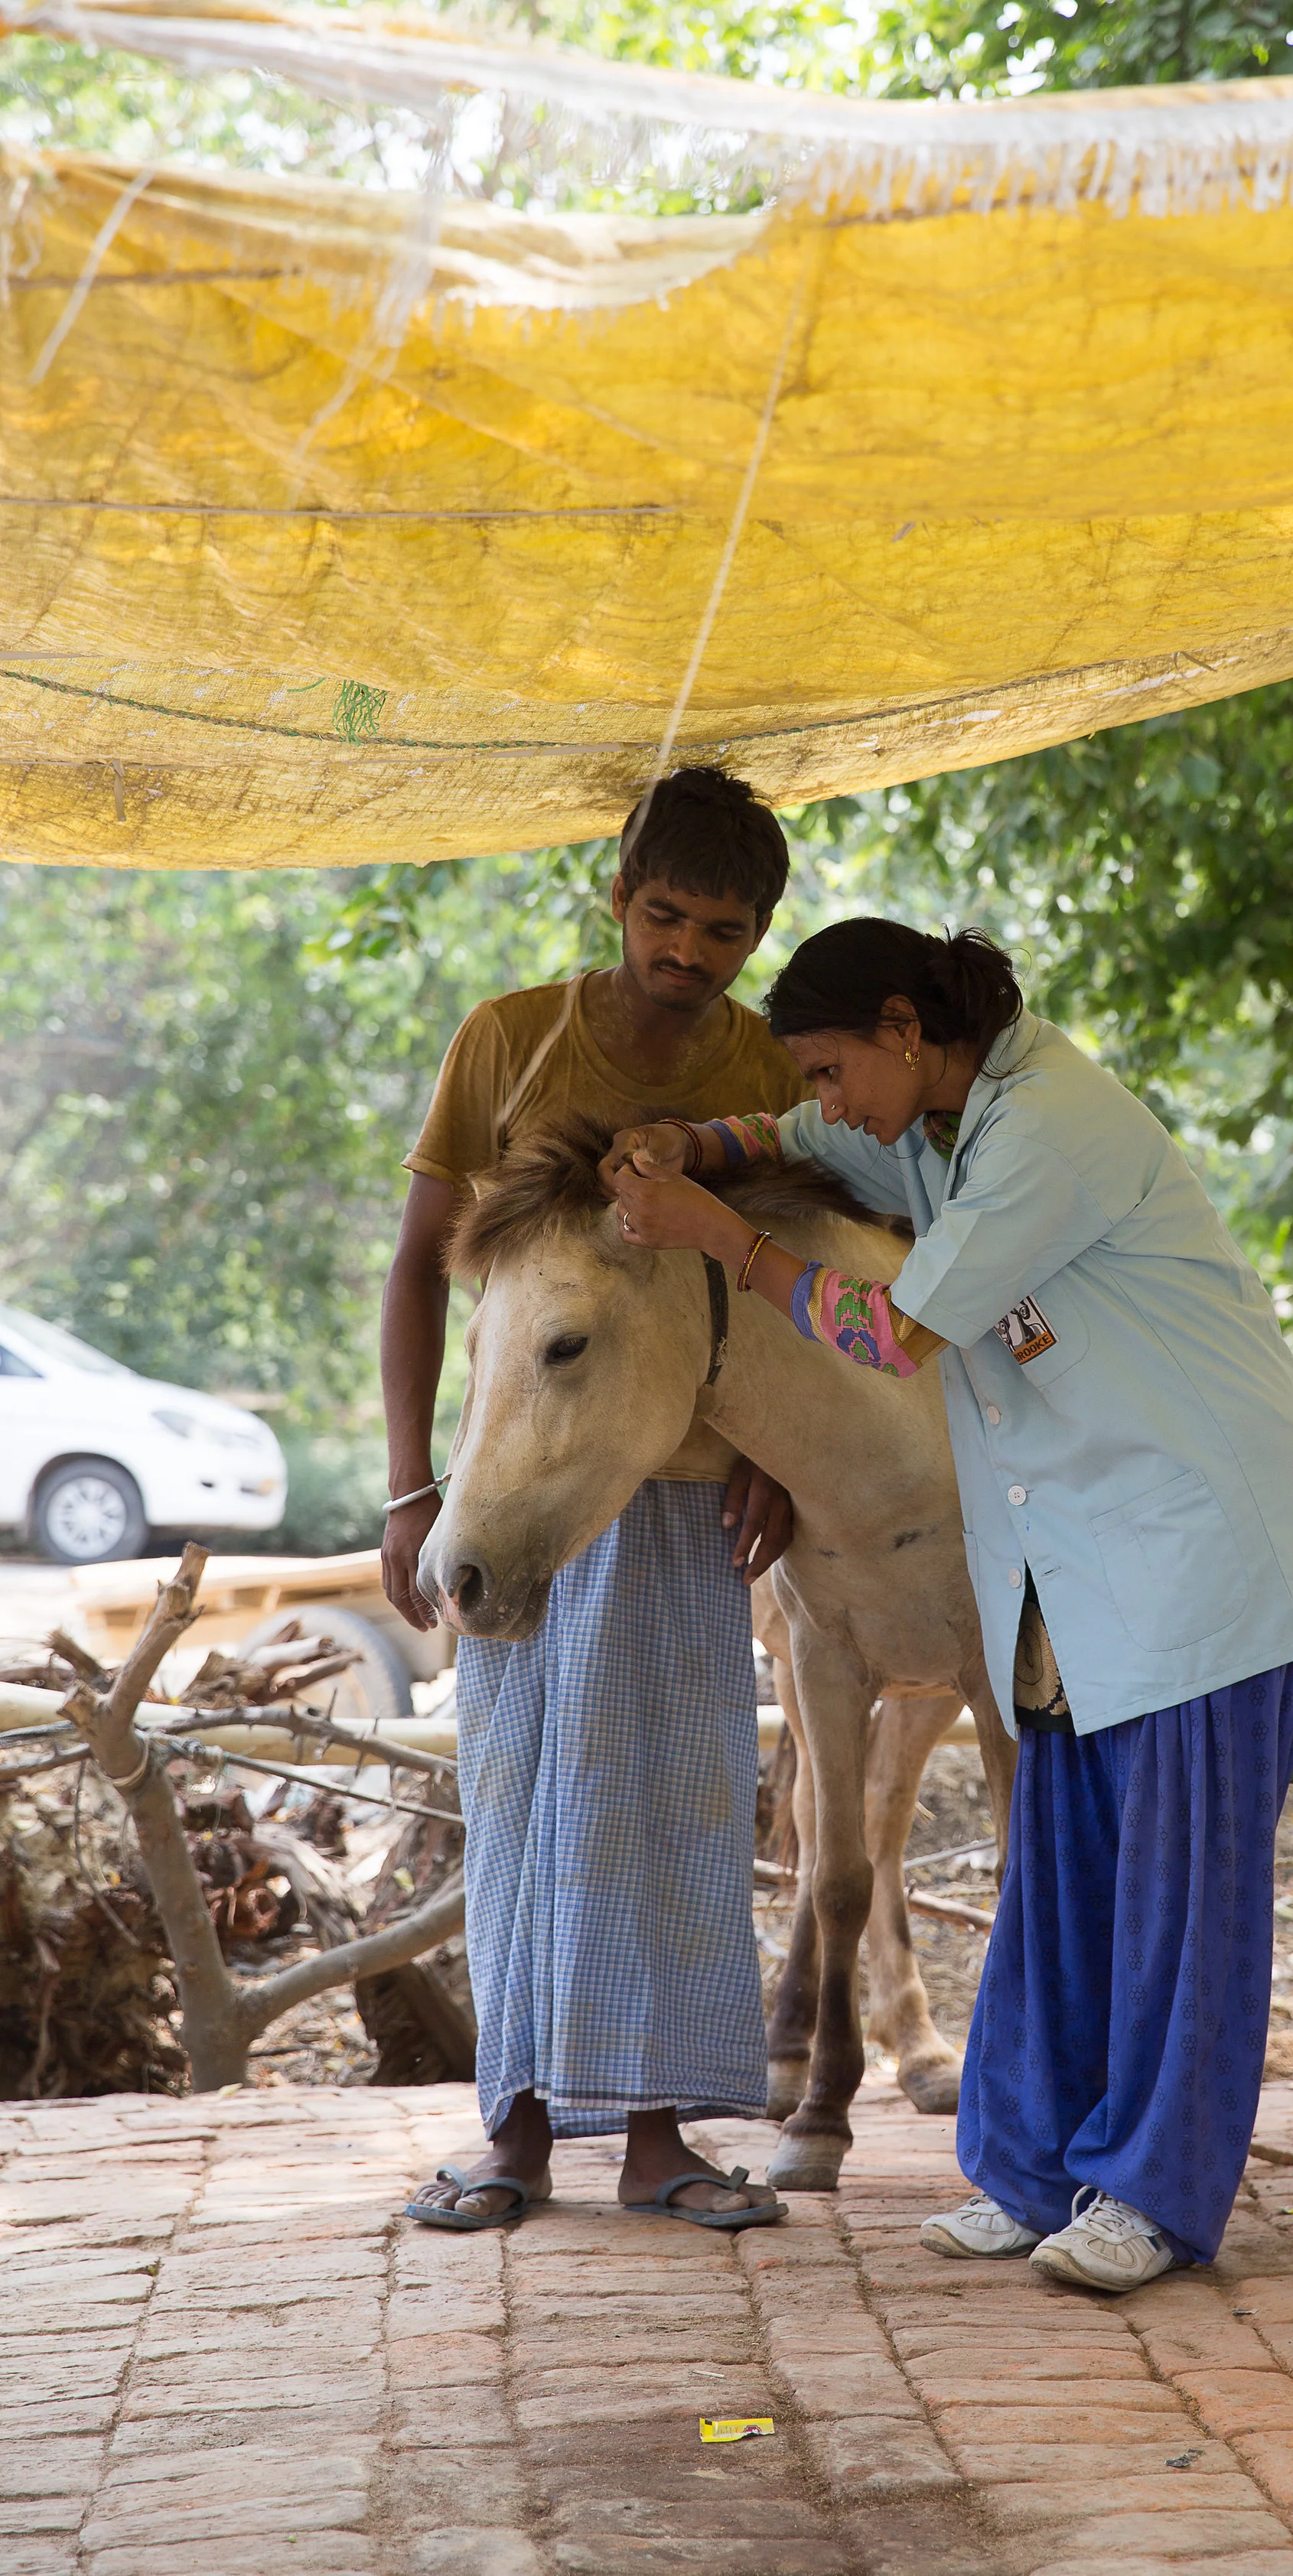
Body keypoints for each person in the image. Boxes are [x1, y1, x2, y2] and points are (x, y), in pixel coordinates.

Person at [600, 916, 1293, 2292]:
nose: (832, 1101)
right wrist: (691, 1149)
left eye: (840, 1068)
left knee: (1179, 1902)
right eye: (821, 1078)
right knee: (1061, 1878)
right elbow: (789, 1134)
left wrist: (719, 1238)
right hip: (1082, 1568)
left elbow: (890, 1331)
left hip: (1203, 1554)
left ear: (907, 1029)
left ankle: (1153, 2197)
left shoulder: (1047, 1128)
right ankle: (1029, 2174)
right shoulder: (936, 1122)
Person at [385, 767, 808, 2235]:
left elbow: (789, 1285)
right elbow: (420, 1268)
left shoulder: (762, 1065)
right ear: (619, 894)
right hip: (511, 1492)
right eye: (667, 916)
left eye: (725, 931)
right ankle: (509, 2136)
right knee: (512, 1798)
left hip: (687, 1493)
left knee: (676, 1797)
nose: (689, 952)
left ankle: (658, 2144)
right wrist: (408, 1488)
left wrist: (777, 1453)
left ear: (758, 937)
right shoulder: (508, 1040)